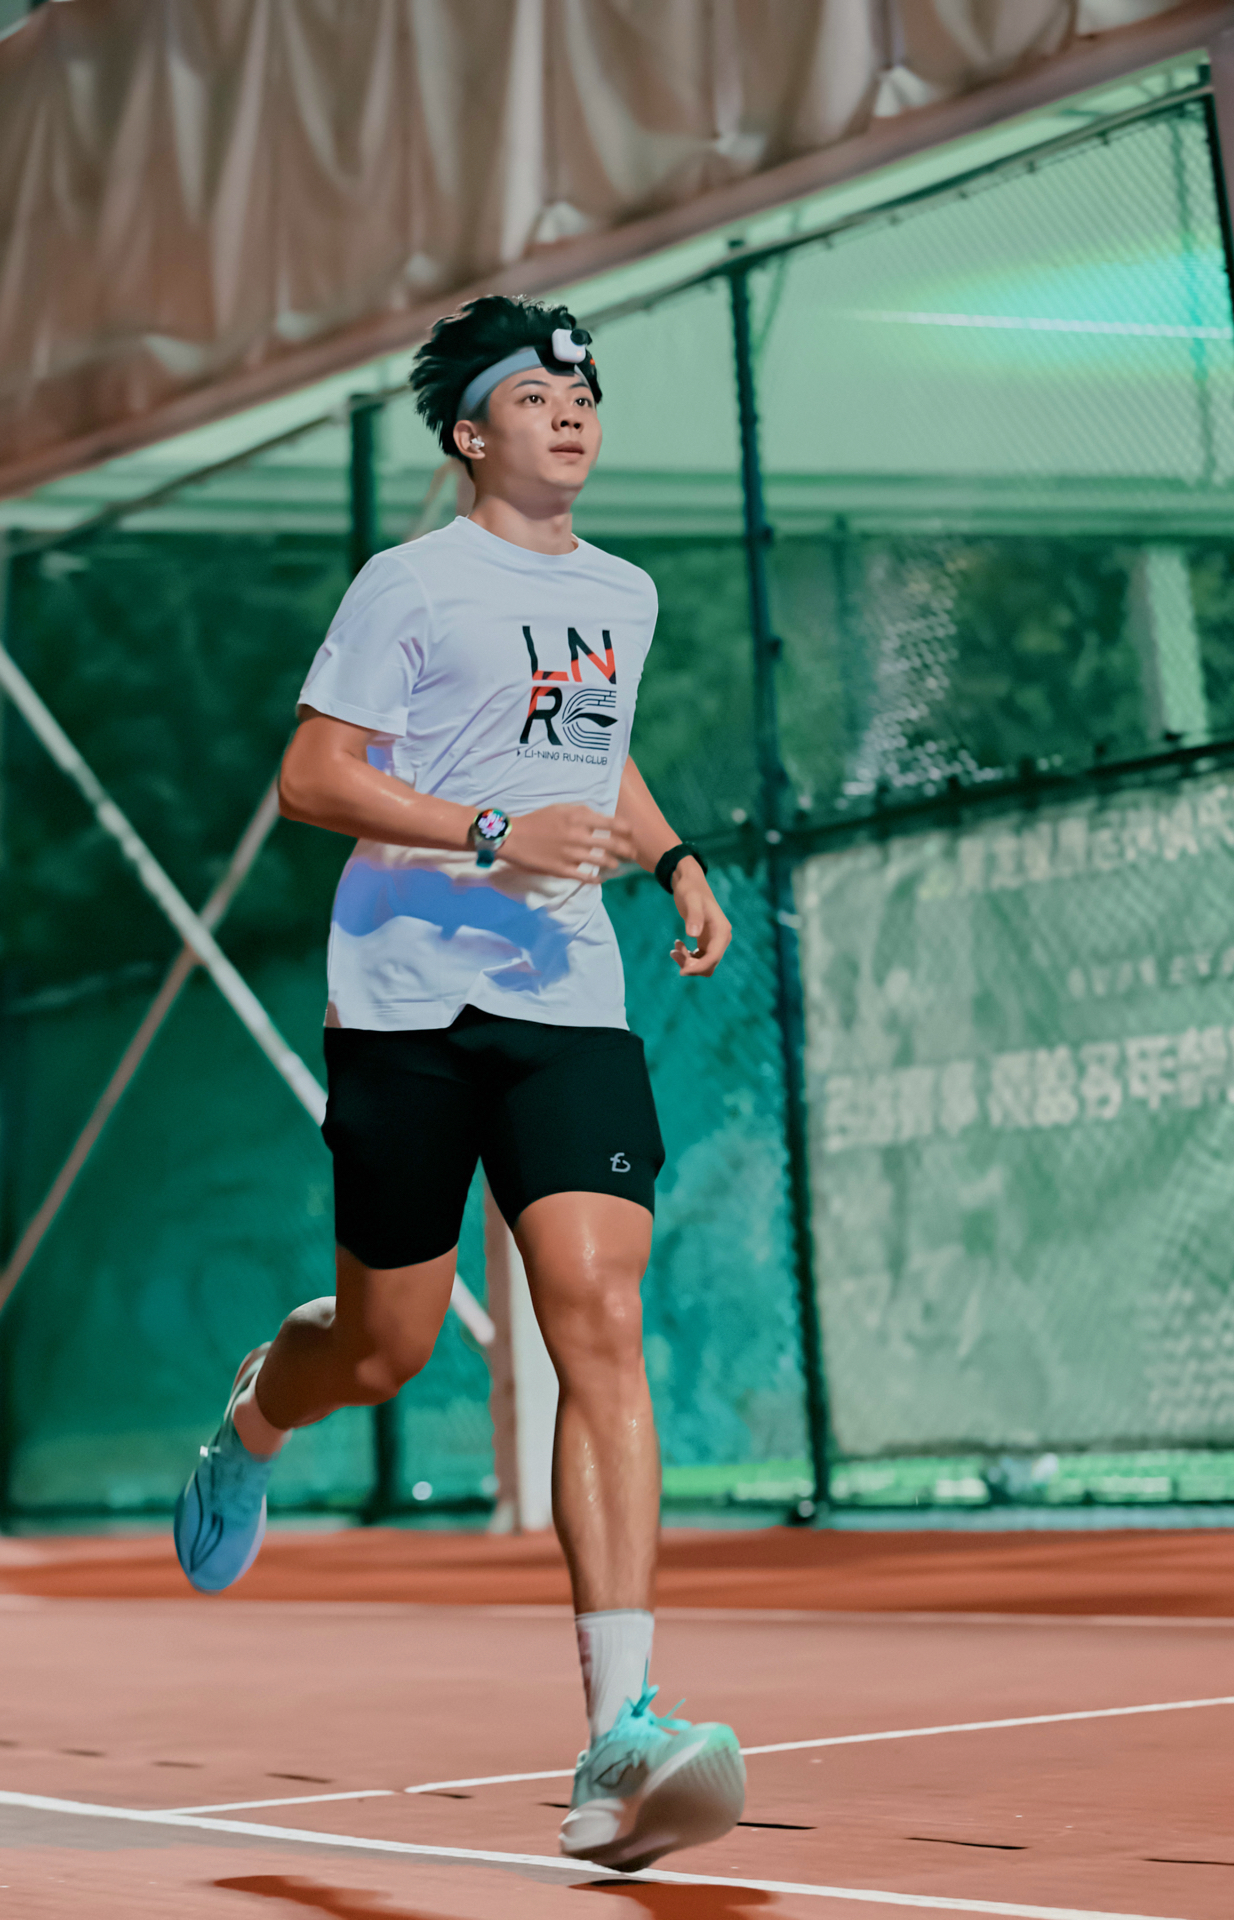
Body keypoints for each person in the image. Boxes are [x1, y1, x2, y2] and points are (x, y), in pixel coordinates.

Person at [173, 295, 745, 1871]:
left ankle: (620, 1740)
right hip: (407, 1002)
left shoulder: (623, 594)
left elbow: (596, 755)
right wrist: (490, 833)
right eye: (536, 394)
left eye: (586, 392)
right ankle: (255, 1415)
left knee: (599, 1313)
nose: (571, 410)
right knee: (385, 1347)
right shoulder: (410, 583)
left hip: (569, 1001)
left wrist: (673, 856)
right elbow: (315, 774)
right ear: (469, 434)